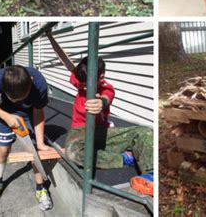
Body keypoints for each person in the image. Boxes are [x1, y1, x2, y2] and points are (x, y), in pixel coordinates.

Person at [46, 31, 153, 178]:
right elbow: (65, 59)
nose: (82, 87)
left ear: (100, 77)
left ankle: (150, 175)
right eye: (80, 84)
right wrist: (50, 36)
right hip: (80, 131)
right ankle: (124, 158)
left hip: (101, 132)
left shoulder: (107, 88)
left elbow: (106, 98)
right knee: (72, 152)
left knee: (145, 131)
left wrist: (101, 103)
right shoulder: (81, 78)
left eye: (85, 85)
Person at [0, 65, 53, 211]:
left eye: (22, 98)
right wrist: (5, 116)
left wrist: (40, 143)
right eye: (14, 99)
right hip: (5, 113)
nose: (17, 101)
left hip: (30, 115)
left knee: (34, 152)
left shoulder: (39, 84)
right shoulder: (0, 78)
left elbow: (38, 113)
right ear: (4, 88)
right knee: (3, 149)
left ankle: (40, 188)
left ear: (30, 83)